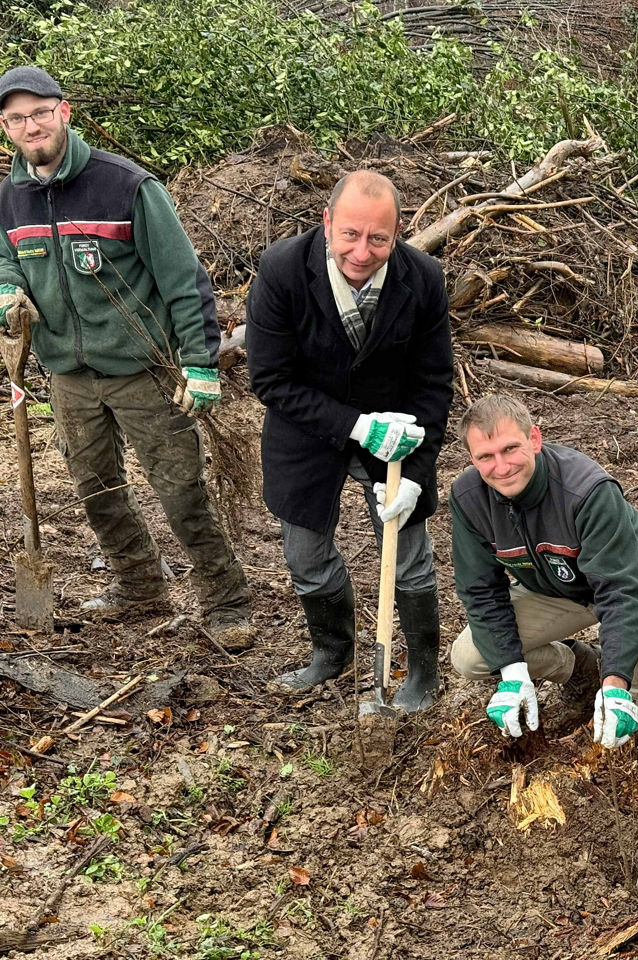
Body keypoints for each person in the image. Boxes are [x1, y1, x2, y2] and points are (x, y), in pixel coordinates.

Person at [0, 65, 252, 645]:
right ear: (6, 128)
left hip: (144, 368)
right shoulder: (10, 197)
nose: (31, 125)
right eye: (17, 118)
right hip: (68, 371)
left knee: (178, 486)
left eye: (40, 112)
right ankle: (138, 584)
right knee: (95, 486)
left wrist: (200, 363)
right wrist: (9, 290)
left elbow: (182, 278)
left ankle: (226, 597)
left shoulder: (128, 186)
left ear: (63, 112)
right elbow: (5, 259)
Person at [246, 170, 452, 712]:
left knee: (409, 556)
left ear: (398, 232)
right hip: (306, 429)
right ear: (327, 223)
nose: (363, 252)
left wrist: (416, 473)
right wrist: (355, 425)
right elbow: (269, 379)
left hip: (396, 437)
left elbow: (433, 385)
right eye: (351, 235)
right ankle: (332, 653)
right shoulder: (282, 270)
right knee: (305, 554)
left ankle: (423, 672)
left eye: (379, 239)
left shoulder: (423, 278)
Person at [448, 394, 638, 773]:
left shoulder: (585, 489)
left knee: (637, 619)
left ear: (535, 439)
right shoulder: (468, 497)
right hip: (556, 587)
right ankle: (578, 666)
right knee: (469, 656)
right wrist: (513, 673)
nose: (501, 467)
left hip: (636, 569)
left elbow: (621, 593)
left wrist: (617, 686)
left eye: (511, 449)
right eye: (485, 457)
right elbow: (481, 590)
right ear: (472, 459)